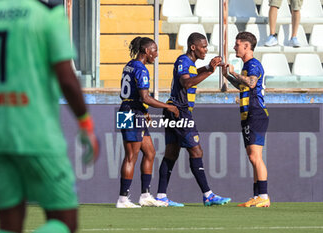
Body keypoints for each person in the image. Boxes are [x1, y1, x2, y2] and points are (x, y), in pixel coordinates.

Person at [0, 0, 99, 232]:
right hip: (37, 135)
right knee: (64, 222)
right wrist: (86, 124)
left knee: (9, 225)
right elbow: (67, 79)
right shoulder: (47, 15)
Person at [155, 32, 231, 207]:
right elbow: (187, 83)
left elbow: (191, 75)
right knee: (196, 151)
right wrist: (211, 71)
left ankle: (160, 196)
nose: (206, 49)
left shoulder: (188, 64)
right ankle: (208, 195)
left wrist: (207, 67)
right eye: (203, 47)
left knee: (171, 154)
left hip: (175, 111)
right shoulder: (183, 60)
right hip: (179, 111)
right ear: (193, 47)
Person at [116, 36, 179, 208]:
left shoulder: (129, 65)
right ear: (146, 51)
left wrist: (144, 111)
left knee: (150, 152)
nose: (156, 55)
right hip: (130, 113)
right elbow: (145, 97)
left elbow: (132, 94)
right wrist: (168, 107)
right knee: (131, 156)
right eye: (155, 50)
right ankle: (123, 199)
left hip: (132, 110)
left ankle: (145, 195)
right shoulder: (141, 69)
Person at [222, 31, 270, 208]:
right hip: (249, 114)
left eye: (237, 44)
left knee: (255, 156)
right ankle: (257, 196)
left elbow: (251, 83)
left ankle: (263, 196)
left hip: (255, 112)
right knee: (253, 156)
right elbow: (243, 85)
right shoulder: (247, 66)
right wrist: (228, 75)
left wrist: (234, 73)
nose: (235, 47)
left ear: (246, 46)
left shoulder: (253, 64)